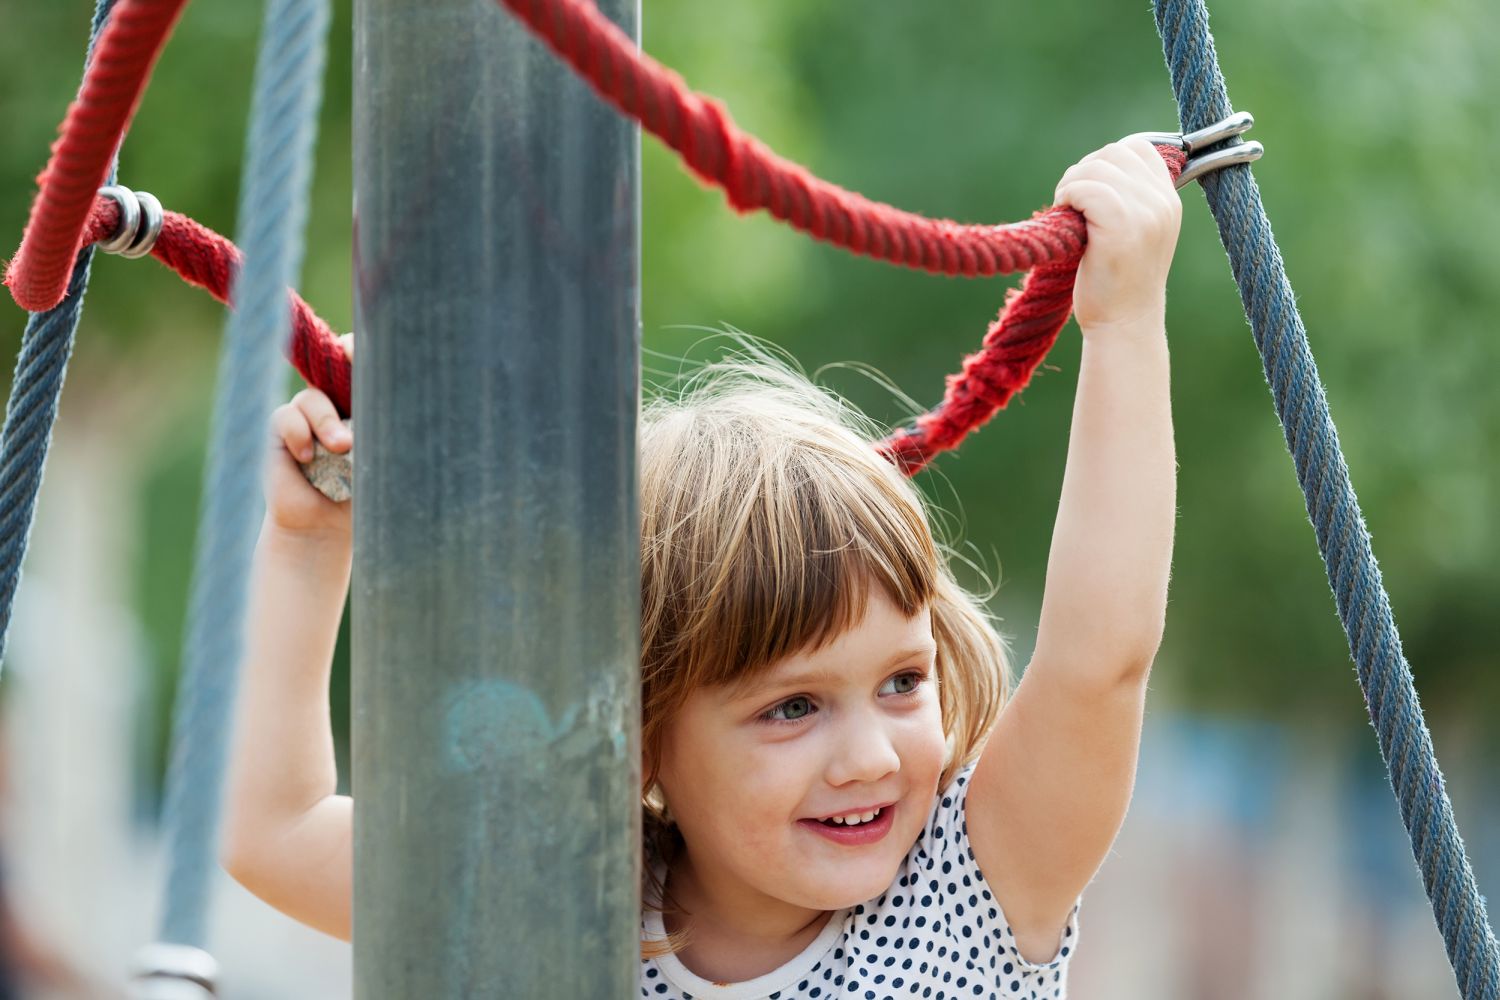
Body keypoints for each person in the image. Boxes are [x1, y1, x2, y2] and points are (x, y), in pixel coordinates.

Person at [222, 136, 1180, 999]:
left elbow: (1099, 666)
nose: (872, 757)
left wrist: (1124, 320)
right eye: (791, 708)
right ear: (638, 734)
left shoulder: (974, 881)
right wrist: (311, 544)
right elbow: (274, 830)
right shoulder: (565, 895)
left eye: (902, 681)